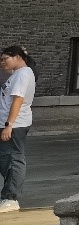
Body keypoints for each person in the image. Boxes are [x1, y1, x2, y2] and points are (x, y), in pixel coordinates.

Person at [0, 45, 35, 214]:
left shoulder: (23, 74)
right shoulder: (17, 74)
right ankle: (7, 195)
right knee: (5, 159)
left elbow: (18, 100)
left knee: (13, 159)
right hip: (10, 123)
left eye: (5, 59)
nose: (2, 62)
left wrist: (9, 125)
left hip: (16, 124)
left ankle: (10, 198)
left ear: (18, 57)